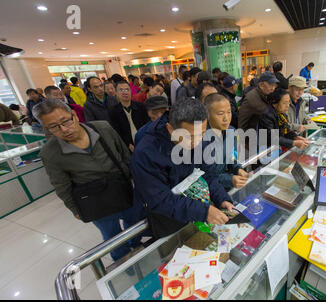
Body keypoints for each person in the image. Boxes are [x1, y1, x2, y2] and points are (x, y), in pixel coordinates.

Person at [33, 98, 143, 262]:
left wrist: (137, 183)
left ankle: (136, 248)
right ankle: (124, 263)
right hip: (95, 202)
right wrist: (74, 209)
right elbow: (61, 185)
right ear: (46, 129)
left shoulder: (103, 128)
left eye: (65, 121)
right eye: (54, 127)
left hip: (122, 189)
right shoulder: (50, 153)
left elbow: (125, 155)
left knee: (136, 225)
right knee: (112, 238)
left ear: (74, 116)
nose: (64, 129)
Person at [131, 97, 235, 239]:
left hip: (195, 210)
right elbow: (160, 200)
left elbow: (209, 175)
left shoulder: (198, 135)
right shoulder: (146, 153)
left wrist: (222, 198)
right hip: (167, 219)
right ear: (170, 128)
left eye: (202, 134)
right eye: (189, 137)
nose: (197, 141)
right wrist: (204, 212)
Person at [204, 93, 248, 191]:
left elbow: (232, 157)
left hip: (226, 188)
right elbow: (205, 175)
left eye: (229, 112)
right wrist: (229, 179)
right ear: (207, 115)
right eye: (220, 114)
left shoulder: (231, 131)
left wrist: (238, 169)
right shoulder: (201, 138)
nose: (226, 118)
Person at [109, 80, 149, 153]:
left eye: (127, 89)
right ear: (116, 93)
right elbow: (117, 131)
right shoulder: (113, 111)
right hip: (127, 146)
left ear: (131, 92)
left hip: (145, 142)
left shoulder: (141, 106)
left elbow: (147, 124)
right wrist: (127, 143)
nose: (125, 92)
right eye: (121, 90)